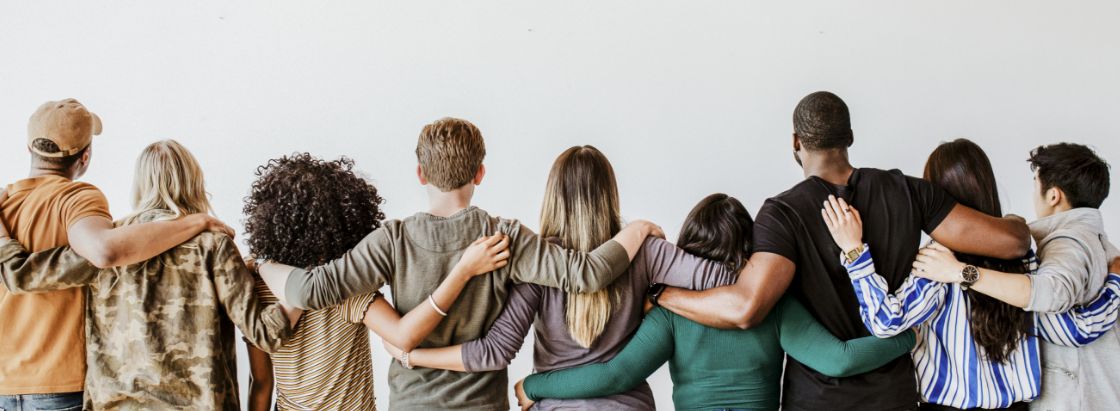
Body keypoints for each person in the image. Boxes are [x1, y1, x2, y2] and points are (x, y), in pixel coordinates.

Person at [652, 92, 1032, 411]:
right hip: (894, 397)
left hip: (817, 400)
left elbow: (745, 308)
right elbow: (1013, 242)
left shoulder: (783, 214)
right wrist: (1016, 219)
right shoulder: (909, 192)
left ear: (796, 142)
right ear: (849, 136)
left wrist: (663, 294)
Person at [255, 118, 664, 410]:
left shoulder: (391, 240)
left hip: (412, 404)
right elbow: (587, 274)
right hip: (482, 404)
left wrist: (262, 266)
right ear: (480, 173)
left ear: (420, 173)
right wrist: (638, 228)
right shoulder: (505, 237)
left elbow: (307, 290)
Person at [382, 147, 741, 410]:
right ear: (609, 194)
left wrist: (413, 356)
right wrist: (659, 292)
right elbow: (724, 277)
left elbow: (494, 352)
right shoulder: (645, 250)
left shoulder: (539, 263)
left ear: (553, 196)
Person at [513, 193, 916, 411]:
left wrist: (534, 384)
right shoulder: (770, 306)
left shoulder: (669, 312)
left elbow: (613, 376)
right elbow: (839, 359)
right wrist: (908, 337)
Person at [821, 138, 1120, 410]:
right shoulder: (1024, 255)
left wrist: (854, 250)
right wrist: (1115, 284)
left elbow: (885, 322)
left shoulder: (937, 262)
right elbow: (1069, 330)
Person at [0, 140, 298, 410]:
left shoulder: (107, 243)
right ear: (195, 181)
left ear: (140, 185)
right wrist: (306, 284)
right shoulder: (213, 245)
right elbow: (264, 334)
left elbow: (25, 276)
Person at [0, 100, 233, 411]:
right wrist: (195, 221)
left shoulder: (5, 202)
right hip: (56, 382)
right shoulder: (77, 198)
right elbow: (104, 251)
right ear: (84, 157)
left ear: (29, 148)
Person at [241, 153, 510, 410]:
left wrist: (263, 263)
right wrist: (463, 271)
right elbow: (404, 335)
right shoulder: (348, 289)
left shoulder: (255, 283)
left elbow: (261, 383)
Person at [911, 142, 1120, 411]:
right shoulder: (1033, 247)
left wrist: (960, 273)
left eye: (1036, 183)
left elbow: (1065, 319)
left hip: (1072, 399)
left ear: (1053, 195)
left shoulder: (1066, 243)